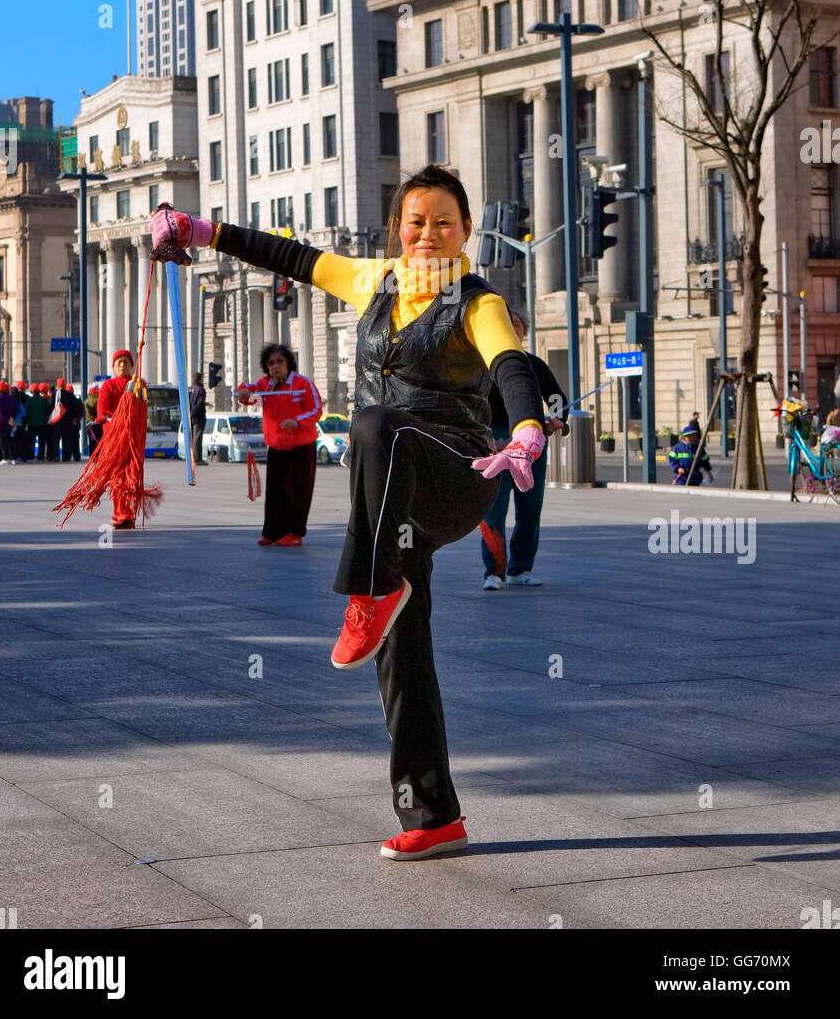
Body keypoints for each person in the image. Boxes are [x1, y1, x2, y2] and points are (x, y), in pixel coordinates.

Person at [150, 165, 547, 862]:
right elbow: (289, 254)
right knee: (402, 652)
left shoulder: (476, 299)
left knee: (372, 426)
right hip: (392, 491)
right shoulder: (373, 280)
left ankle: (370, 588)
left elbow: (510, 363)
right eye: (417, 221)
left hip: (455, 470)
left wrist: (526, 428)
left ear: (465, 232)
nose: (429, 235)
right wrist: (200, 230)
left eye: (445, 223)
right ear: (400, 226)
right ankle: (434, 814)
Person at [479, 308, 567, 589]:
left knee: (530, 510)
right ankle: (494, 572)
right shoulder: (481, 364)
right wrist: (485, 437)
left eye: (517, 324)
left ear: (524, 331)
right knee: (494, 511)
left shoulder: (534, 364)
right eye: (506, 323)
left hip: (530, 441)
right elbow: (468, 405)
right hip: (494, 442)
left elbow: (555, 397)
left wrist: (556, 418)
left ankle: (520, 569)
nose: (513, 328)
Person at [237, 345, 322, 547]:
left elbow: (317, 409)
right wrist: (242, 391)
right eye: (271, 363)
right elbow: (248, 392)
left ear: (288, 363)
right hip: (276, 447)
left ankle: (295, 533)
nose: (275, 366)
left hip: (301, 447)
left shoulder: (302, 383)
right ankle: (272, 532)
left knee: (297, 492)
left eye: (279, 362)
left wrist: (297, 420)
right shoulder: (266, 384)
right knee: (274, 492)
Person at [96, 350, 139, 528]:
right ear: (113, 366)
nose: (122, 365)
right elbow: (102, 411)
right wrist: (118, 419)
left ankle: (127, 513)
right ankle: (120, 513)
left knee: (132, 477)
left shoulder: (137, 383)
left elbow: (142, 407)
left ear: (131, 365)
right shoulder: (108, 386)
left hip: (133, 438)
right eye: (119, 362)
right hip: (114, 438)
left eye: (126, 362)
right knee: (118, 477)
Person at [0, 382, 16, 465]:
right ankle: (11, 458)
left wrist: (6, 419)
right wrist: (11, 418)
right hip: (9, 423)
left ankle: (5, 458)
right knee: (8, 440)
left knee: (2, 441)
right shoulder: (11, 398)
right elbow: (14, 409)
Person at [26, 383, 50, 461]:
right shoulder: (43, 400)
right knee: (41, 441)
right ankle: (41, 456)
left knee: (31, 441)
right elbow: (47, 411)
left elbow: (27, 410)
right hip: (41, 423)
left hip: (31, 423)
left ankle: (30, 455)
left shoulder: (29, 400)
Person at [189, 373, 207, 465]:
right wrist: (192, 414)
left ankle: (192, 457)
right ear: (200, 379)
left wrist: (189, 415)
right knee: (197, 438)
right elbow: (199, 404)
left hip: (191, 418)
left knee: (192, 438)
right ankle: (197, 459)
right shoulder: (201, 390)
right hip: (198, 417)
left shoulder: (190, 389)